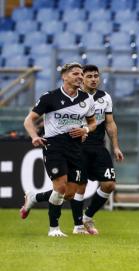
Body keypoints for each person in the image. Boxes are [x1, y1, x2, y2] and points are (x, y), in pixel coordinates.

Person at [22, 65, 124, 235]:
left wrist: (85, 130)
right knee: (61, 187)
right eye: (77, 74)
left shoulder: (90, 99)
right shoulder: (50, 97)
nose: (82, 77)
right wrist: (34, 136)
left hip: (79, 148)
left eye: (82, 74)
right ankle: (55, 228)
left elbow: (93, 123)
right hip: (55, 146)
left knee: (69, 193)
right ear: (64, 76)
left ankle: (34, 197)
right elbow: (29, 120)